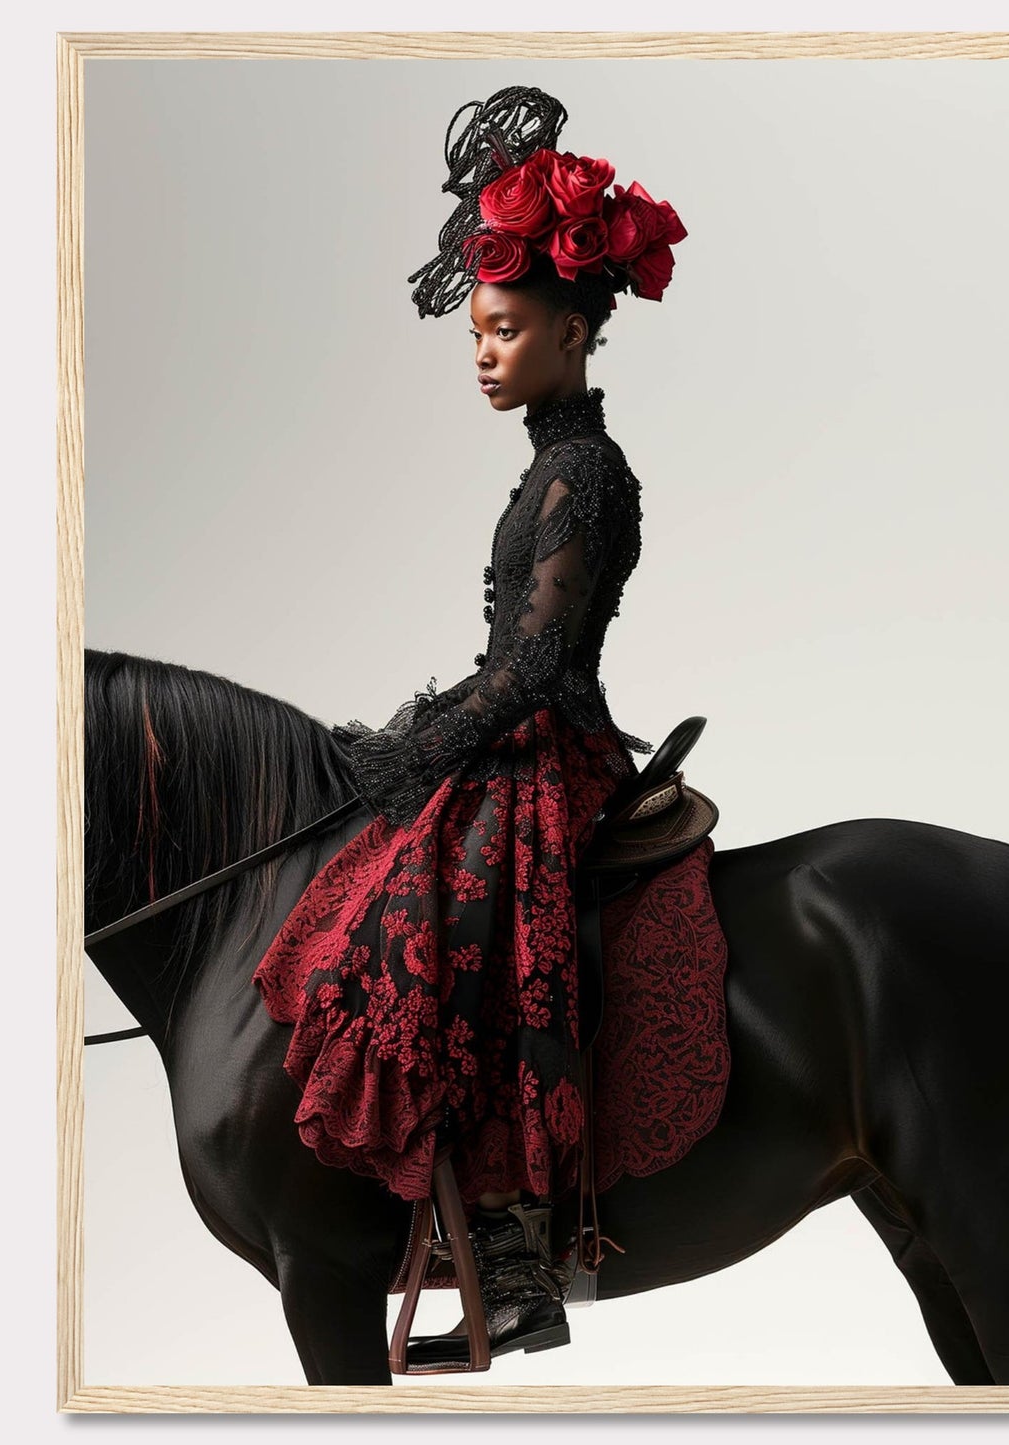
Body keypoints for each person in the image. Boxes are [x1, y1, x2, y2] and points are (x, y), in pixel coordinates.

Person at [251, 84, 688, 1366]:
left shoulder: (584, 474)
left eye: (504, 330)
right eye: (477, 334)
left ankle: (510, 1243)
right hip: (517, 724)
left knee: (453, 909)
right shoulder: (553, 461)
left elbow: (539, 667)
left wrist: (407, 743)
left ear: (568, 329)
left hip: (547, 746)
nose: (484, 352)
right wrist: (423, 730)